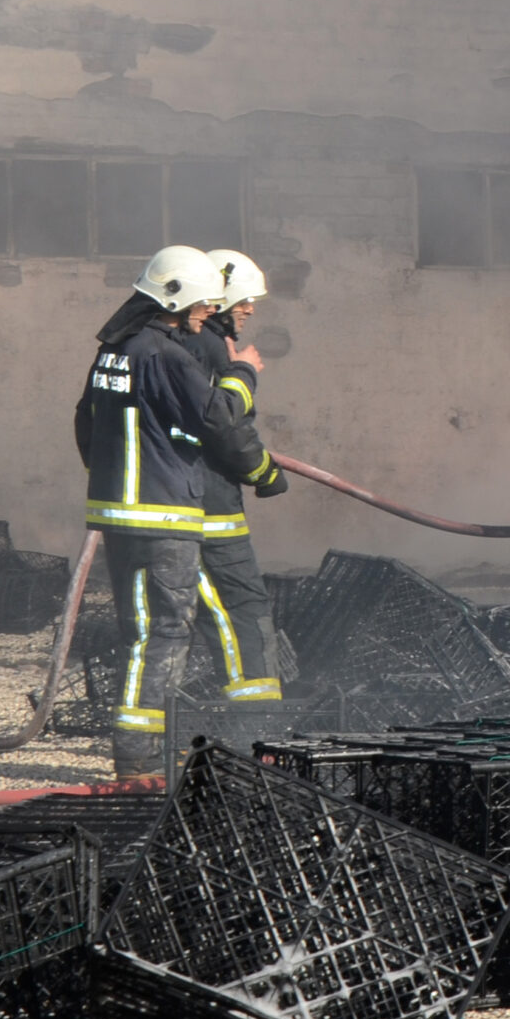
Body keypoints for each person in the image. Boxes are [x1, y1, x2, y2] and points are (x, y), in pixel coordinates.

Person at [75, 245, 280, 776]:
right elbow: (217, 419)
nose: (208, 313)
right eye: (203, 304)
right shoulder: (164, 354)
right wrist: (244, 374)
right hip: (163, 514)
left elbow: (86, 423)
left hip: (121, 513)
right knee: (165, 631)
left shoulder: (114, 349)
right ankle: (138, 759)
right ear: (179, 296)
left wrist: (118, 477)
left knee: (145, 629)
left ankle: (137, 754)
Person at [171, 248, 289, 703]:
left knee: (179, 619)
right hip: (209, 510)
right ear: (219, 298)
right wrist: (265, 473)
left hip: (182, 502)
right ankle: (257, 723)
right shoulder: (210, 348)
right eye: (244, 299)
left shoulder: (176, 343)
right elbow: (226, 427)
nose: (250, 308)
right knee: (241, 610)